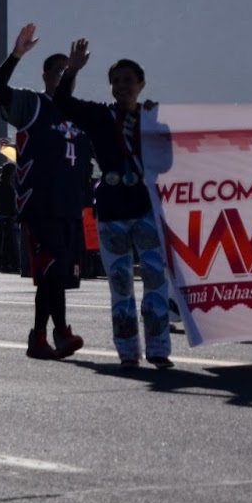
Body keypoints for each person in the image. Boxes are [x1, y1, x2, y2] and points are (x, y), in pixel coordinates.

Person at [53, 38, 172, 368]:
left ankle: (159, 348)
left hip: (146, 209)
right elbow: (62, 101)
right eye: (117, 81)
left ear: (141, 84)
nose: (122, 86)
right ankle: (128, 351)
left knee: (155, 281)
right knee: (120, 284)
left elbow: (168, 163)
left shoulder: (154, 120)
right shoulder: (98, 116)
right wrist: (73, 68)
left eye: (128, 80)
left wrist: (157, 131)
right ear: (110, 86)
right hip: (111, 213)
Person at [0, 23, 87, 359]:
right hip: (41, 203)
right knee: (50, 271)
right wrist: (16, 55)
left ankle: (53, 333)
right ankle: (47, 334)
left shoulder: (76, 116)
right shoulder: (32, 104)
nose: (62, 75)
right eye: (58, 70)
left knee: (57, 276)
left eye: (68, 71)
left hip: (69, 207)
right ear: (45, 75)